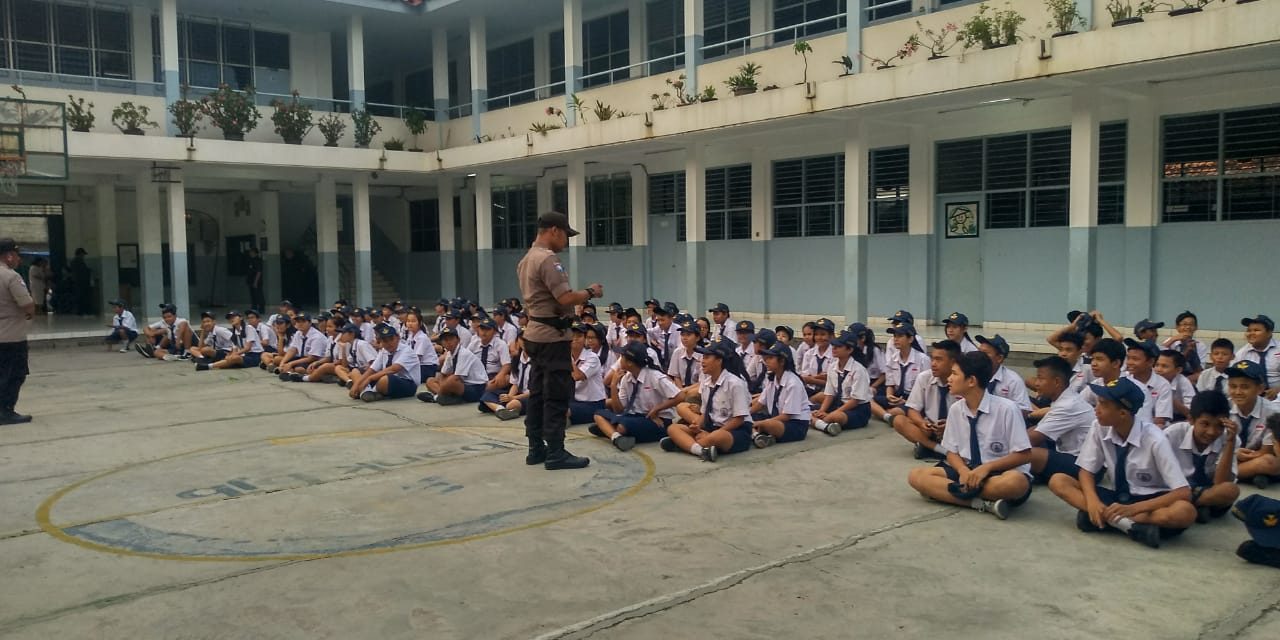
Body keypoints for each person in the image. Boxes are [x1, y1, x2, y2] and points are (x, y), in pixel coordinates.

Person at [1047, 378, 1197, 549]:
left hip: (1149, 501)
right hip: (1117, 497)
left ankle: (1105, 519)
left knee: (1185, 512)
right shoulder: (1099, 426)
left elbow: (1183, 492)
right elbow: (1086, 471)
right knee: (1058, 481)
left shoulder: (1155, 439)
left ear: (1123, 414)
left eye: (1103, 405)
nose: (1096, 409)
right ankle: (1130, 527)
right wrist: (1093, 500)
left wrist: (1134, 509)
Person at [516, 212, 602, 470]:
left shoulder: (526, 259)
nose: (566, 241)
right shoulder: (548, 260)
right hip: (552, 337)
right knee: (555, 395)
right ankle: (555, 452)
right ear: (553, 230)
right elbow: (564, 298)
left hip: (534, 333)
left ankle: (535, 447)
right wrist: (590, 292)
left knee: (537, 393)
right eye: (565, 234)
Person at [905, 351, 1033, 521]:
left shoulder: (1007, 409)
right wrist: (963, 470)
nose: (949, 379)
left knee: (1015, 483)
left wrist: (987, 468)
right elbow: (951, 452)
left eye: (955, 374)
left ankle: (950, 493)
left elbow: (1024, 455)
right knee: (916, 476)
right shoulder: (956, 409)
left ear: (971, 381)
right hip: (966, 470)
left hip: (999, 472)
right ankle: (982, 504)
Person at [662, 339, 753, 462]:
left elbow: (739, 419)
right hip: (712, 427)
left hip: (734, 430)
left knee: (718, 436)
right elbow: (704, 413)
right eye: (703, 357)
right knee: (673, 428)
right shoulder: (706, 383)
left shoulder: (735, 383)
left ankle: (686, 444)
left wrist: (710, 435)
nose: (702, 361)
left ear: (719, 360)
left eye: (707, 357)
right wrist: (697, 426)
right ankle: (701, 450)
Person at [590, 341, 684, 451]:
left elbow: (680, 396)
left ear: (630, 362)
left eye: (622, 357)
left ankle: (611, 431)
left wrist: (657, 409)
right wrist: (614, 385)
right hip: (635, 417)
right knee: (598, 414)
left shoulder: (654, 376)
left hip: (657, 420)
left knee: (622, 426)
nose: (619, 360)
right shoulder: (627, 378)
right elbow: (619, 409)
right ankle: (617, 437)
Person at [1164, 391, 1240, 523]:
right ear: (1191, 420)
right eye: (1205, 424)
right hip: (1177, 489)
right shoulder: (1172, 434)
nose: (1212, 432)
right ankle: (1200, 507)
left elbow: (1221, 483)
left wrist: (1230, 443)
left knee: (1230, 490)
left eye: (1219, 426)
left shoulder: (1230, 438)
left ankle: (1197, 504)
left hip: (1209, 491)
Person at [1026, 355, 1095, 484]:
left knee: (1028, 454)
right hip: (1065, 451)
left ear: (1057, 382)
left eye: (1041, 379)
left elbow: (1030, 440)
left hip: (1085, 467)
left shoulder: (1067, 405)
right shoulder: (1063, 399)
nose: (1036, 383)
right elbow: (1035, 430)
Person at [895, 339, 962, 460]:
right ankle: (939, 450)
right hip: (931, 430)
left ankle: (927, 448)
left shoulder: (963, 381)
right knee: (899, 420)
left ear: (953, 362)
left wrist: (950, 425)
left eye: (939, 360)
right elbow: (912, 409)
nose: (933, 364)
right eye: (932, 358)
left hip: (956, 430)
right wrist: (922, 423)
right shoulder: (924, 377)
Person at [1224, 360, 1280, 488]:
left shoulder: (1273, 412)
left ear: (1260, 389)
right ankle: (1252, 474)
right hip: (1229, 456)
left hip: (1259, 456)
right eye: (1233, 386)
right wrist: (1234, 454)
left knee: (1270, 462)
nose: (1237, 392)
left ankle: (1228, 475)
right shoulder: (1223, 408)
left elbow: (1266, 451)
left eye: (1244, 387)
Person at [811, 330, 872, 436]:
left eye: (838, 346)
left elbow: (855, 400)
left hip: (857, 409)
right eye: (833, 345)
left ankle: (821, 423)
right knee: (803, 411)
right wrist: (822, 410)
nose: (834, 349)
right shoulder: (833, 367)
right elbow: (829, 394)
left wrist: (835, 412)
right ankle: (825, 425)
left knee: (836, 417)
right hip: (838, 403)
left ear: (849, 349)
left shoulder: (858, 370)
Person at [0, 238, 34, 424]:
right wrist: (30, 314)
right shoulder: (11, 276)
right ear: (9, 256)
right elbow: (27, 304)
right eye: (17, 255)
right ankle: (5, 411)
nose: (19, 259)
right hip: (11, 337)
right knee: (14, 375)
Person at [751, 344, 812, 448]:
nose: (766, 361)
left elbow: (787, 416)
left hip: (794, 424)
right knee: (748, 418)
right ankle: (760, 435)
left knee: (767, 424)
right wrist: (745, 414)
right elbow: (761, 403)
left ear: (782, 361)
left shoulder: (793, 383)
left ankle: (756, 434)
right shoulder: (772, 378)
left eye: (771, 358)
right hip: (776, 417)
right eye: (766, 358)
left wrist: (759, 423)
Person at [349, 323, 421, 402]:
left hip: (406, 384)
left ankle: (367, 391)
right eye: (385, 341)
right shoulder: (383, 351)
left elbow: (393, 369)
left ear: (397, 338)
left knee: (385, 379)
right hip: (385, 380)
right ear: (380, 342)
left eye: (391, 339)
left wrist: (369, 379)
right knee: (355, 372)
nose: (389, 343)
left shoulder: (407, 351)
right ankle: (367, 392)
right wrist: (356, 384)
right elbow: (372, 369)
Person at [1236, 315, 1279, 399]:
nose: (1251, 333)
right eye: (1249, 330)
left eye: (1256, 330)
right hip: (1252, 398)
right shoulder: (1242, 353)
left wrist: (1277, 390)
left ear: (1269, 333)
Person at [69, 247, 91, 316]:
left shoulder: (73, 261)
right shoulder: (79, 261)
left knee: (78, 296)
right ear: (80, 254)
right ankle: (81, 311)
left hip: (76, 281)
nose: (83, 256)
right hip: (81, 282)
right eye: (83, 254)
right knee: (82, 297)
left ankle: (79, 311)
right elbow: (83, 271)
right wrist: (89, 271)